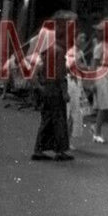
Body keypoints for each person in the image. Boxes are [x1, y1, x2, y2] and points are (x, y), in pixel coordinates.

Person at [30, 11, 76, 161]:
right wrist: (64, 91)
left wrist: (39, 86)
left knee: (48, 119)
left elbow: (38, 71)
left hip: (46, 88)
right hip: (55, 89)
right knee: (59, 120)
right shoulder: (59, 51)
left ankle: (40, 149)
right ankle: (59, 150)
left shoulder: (47, 50)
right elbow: (59, 75)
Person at [88, 19, 108, 144]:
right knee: (104, 104)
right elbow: (94, 65)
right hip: (102, 73)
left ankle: (96, 125)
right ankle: (97, 131)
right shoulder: (99, 47)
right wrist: (93, 82)